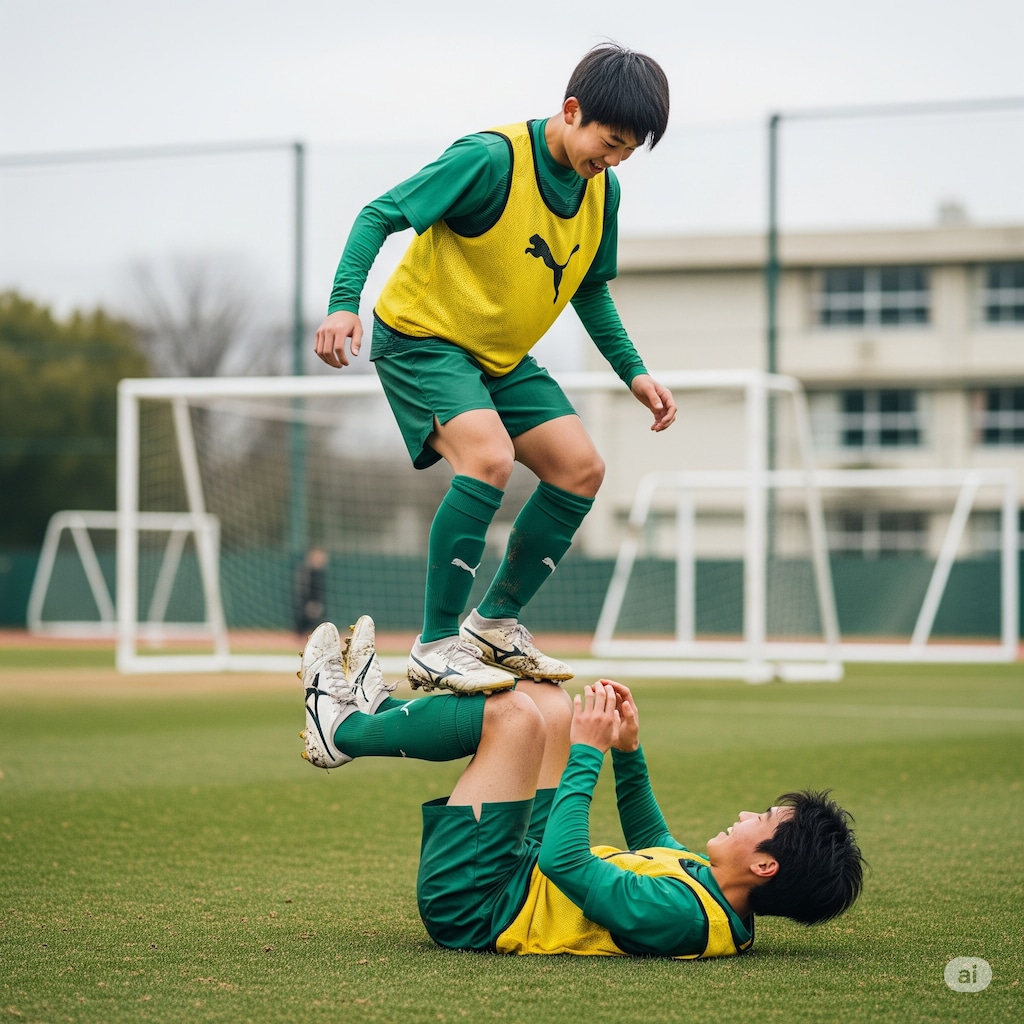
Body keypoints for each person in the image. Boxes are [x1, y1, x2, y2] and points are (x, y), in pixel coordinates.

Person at [313, 43, 677, 695]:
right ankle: (435, 644)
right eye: (610, 142)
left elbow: (589, 288)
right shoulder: (489, 160)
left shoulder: (602, 192)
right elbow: (379, 214)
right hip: (422, 338)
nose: (613, 160)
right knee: (488, 458)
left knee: (581, 468)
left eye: (626, 152)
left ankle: (494, 626)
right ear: (572, 111)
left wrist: (635, 372)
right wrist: (344, 306)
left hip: (496, 357)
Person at [299, 618, 865, 958]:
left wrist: (589, 751)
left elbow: (566, 862)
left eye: (762, 819)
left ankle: (345, 731)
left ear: (766, 866)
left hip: (477, 904)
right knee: (545, 702)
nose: (746, 813)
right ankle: (379, 713)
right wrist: (629, 749)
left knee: (516, 717)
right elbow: (655, 840)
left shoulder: (682, 918)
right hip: (518, 873)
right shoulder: (715, 892)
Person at [293, 547, 328, 638]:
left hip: (316, 602)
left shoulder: (319, 573)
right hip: (308, 602)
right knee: (305, 624)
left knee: (319, 624)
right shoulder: (307, 572)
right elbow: (304, 590)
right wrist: (309, 603)